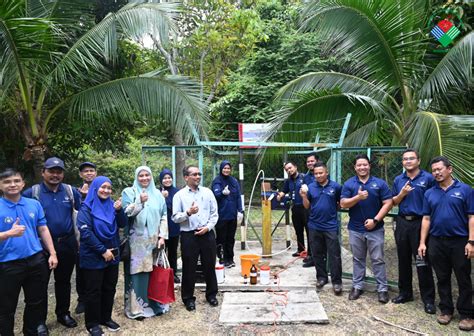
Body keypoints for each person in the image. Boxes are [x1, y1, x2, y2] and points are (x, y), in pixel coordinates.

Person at [23, 157, 82, 328]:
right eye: (51, 171)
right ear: (43, 172)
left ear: (63, 174)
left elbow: (80, 214)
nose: (55, 175)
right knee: (39, 285)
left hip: (67, 244)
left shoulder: (71, 192)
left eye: (59, 172)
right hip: (41, 247)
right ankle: (39, 321)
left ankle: (63, 314)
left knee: (63, 282)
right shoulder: (32, 193)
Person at [0, 168, 58, 336]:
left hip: (36, 260)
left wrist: (52, 253)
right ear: (0, 185)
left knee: (35, 302)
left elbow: (43, 229)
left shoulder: (34, 204)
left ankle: (30, 332)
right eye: (7, 182)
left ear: (23, 183)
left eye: (16, 181)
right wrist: (8, 234)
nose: (12, 185)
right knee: (6, 307)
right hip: (7, 264)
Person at [418, 156, 473, 331]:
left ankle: (466, 314)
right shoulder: (429, 193)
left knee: (463, 278)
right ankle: (446, 310)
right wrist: (422, 243)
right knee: (442, 277)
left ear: (449, 169)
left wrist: (471, 241)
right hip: (436, 242)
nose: (436, 173)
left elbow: (472, 217)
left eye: (440, 169)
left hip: (459, 241)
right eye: (434, 170)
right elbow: (426, 219)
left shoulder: (465, 190)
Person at [77, 176, 126, 336]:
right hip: (93, 255)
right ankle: (92, 323)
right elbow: (86, 233)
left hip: (112, 254)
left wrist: (119, 211)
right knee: (93, 291)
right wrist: (102, 250)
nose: (106, 190)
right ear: (95, 188)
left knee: (109, 288)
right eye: (103, 187)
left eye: (109, 188)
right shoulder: (86, 208)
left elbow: (122, 224)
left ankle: (106, 318)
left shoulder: (112, 206)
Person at [340, 154, 392, 303]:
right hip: (355, 229)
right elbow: (343, 203)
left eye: (365, 164)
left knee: (377, 259)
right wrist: (357, 198)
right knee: (358, 259)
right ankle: (357, 286)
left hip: (375, 229)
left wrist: (375, 220)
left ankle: (382, 289)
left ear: (369, 166)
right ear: (355, 167)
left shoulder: (380, 183)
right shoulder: (349, 184)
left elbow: (388, 203)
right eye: (359, 165)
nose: (362, 167)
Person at [391, 149, 436, 314]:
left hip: (420, 223)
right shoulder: (398, 180)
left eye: (411, 158)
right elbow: (393, 202)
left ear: (418, 160)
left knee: (422, 260)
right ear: (402, 162)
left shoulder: (428, 179)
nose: (408, 161)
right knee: (403, 260)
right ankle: (405, 293)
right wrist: (402, 194)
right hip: (403, 222)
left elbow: (434, 199)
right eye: (405, 159)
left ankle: (428, 299)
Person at [121, 166, 168, 320]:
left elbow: (163, 216)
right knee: (137, 272)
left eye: (147, 175)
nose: (144, 178)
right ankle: (137, 308)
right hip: (137, 241)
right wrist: (139, 202)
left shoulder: (158, 195)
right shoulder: (129, 192)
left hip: (154, 239)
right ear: (136, 177)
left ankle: (155, 304)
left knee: (153, 272)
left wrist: (162, 236)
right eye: (141, 175)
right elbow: (127, 212)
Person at [172, 165, 219, 312]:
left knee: (209, 265)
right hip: (189, 236)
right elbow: (175, 217)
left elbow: (214, 214)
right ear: (186, 177)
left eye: (199, 174)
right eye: (194, 174)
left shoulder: (208, 192)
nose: (198, 176)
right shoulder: (179, 195)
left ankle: (211, 295)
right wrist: (188, 212)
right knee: (189, 268)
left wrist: (208, 227)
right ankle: (188, 299)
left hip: (207, 234)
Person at [300, 162, 342, 294]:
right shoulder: (310, 187)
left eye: (321, 173)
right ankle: (322, 277)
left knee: (334, 255)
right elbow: (307, 206)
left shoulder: (335, 187)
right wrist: (303, 197)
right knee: (318, 254)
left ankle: (337, 281)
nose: (318, 175)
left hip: (330, 226)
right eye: (316, 173)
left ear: (326, 172)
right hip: (314, 226)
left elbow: (340, 203)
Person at [211, 160, 243, 268]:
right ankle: (221, 258)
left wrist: (240, 210)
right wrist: (222, 194)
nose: (226, 170)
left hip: (232, 215)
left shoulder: (234, 181)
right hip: (221, 216)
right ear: (221, 169)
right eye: (224, 168)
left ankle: (230, 258)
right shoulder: (217, 181)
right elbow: (215, 195)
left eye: (228, 168)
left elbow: (238, 196)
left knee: (230, 238)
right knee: (221, 238)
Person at [75, 161, 97, 315]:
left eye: (91, 170)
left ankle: (96, 297)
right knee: (81, 269)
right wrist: (83, 197)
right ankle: (82, 300)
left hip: (98, 235)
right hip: (81, 237)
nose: (89, 173)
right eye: (86, 171)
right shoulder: (75, 192)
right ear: (81, 174)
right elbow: (76, 212)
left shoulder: (101, 188)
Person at [277, 162, 309, 258]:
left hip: (305, 208)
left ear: (295, 167)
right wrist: (280, 195)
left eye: (290, 168)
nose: (289, 170)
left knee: (309, 230)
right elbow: (284, 190)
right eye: (286, 169)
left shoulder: (304, 178)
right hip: (295, 208)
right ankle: (301, 250)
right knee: (298, 230)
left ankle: (311, 254)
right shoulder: (288, 181)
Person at [159, 168, 181, 283]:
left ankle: (173, 274)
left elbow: (176, 208)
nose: (167, 180)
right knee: (161, 252)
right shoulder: (157, 192)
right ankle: (162, 274)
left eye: (169, 178)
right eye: (165, 178)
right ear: (161, 180)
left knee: (172, 251)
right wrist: (162, 197)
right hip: (160, 228)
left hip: (173, 226)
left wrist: (167, 199)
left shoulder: (177, 192)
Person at [302, 152, 320, 267]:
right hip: (309, 208)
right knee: (310, 233)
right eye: (308, 161)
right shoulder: (306, 177)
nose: (310, 163)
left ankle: (317, 257)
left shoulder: (321, 174)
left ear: (317, 161)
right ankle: (311, 256)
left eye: (312, 161)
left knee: (319, 234)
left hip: (320, 207)